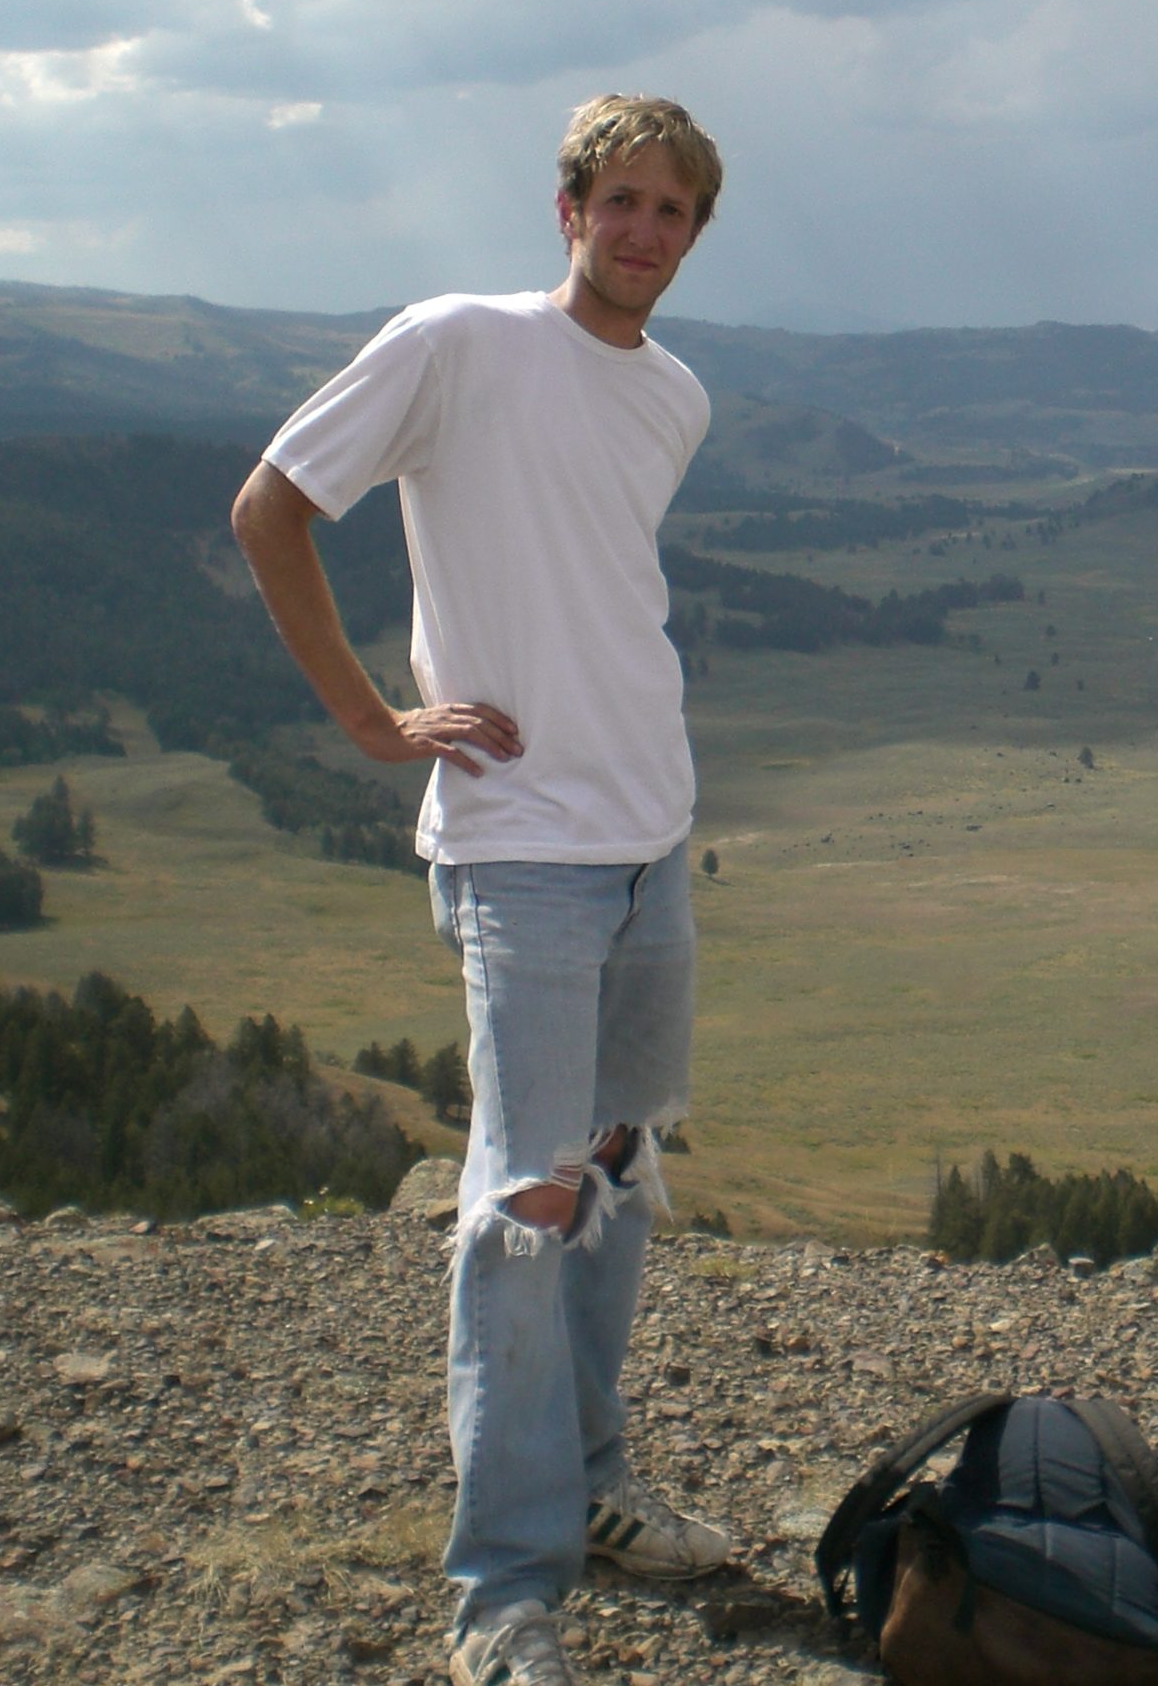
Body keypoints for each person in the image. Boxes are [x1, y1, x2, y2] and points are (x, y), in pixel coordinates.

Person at [231, 95, 731, 1686]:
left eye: (676, 212)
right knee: (524, 1212)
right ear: (568, 206)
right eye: (624, 200)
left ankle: (588, 1494)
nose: (646, 231)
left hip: (653, 839)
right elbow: (273, 507)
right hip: (523, 850)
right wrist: (375, 722)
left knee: (616, 1178)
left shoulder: (675, 397)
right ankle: (506, 1600)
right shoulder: (456, 341)